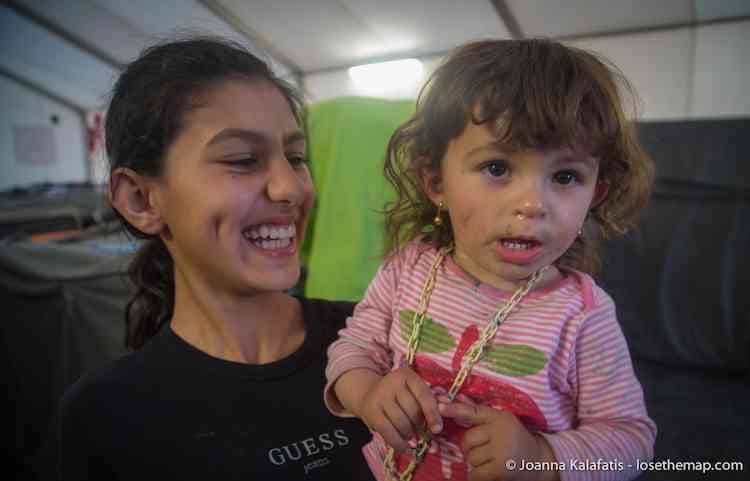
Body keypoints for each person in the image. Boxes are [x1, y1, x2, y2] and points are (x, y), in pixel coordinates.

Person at [38, 37, 374, 480]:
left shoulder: (380, 341)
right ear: (141, 199)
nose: (291, 188)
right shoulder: (106, 417)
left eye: (295, 157)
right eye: (242, 160)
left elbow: (498, 463)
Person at [324, 39, 657, 481]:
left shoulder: (583, 316)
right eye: (497, 168)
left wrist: (540, 458)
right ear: (435, 181)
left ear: (594, 194)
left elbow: (631, 440)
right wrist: (366, 392)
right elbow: (352, 348)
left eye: (565, 176)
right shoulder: (406, 269)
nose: (533, 204)